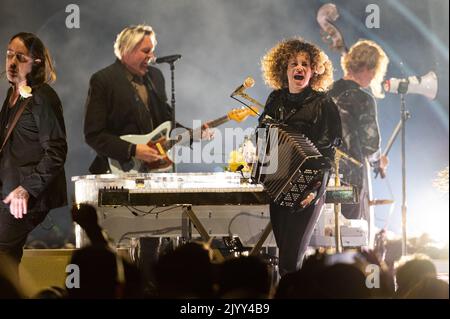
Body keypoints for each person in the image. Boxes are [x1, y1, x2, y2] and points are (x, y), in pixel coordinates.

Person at [258, 38, 342, 276]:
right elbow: (262, 136)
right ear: (284, 70)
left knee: (291, 259)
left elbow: (327, 153)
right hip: (279, 183)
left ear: (314, 70)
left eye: (305, 63)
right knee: (284, 250)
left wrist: (313, 186)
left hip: (309, 186)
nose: (299, 67)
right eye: (293, 63)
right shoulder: (276, 99)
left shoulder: (323, 103)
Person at [84, 24, 212, 174]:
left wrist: (192, 134)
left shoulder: (155, 76)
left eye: (152, 51)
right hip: (117, 170)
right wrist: (133, 150)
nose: (151, 57)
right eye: (145, 51)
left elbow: (166, 119)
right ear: (126, 50)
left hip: (153, 171)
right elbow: (94, 134)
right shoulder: (103, 80)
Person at [0, 32, 67, 270]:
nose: (11, 62)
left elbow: (57, 151)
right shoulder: (12, 95)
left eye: (20, 57)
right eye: (9, 54)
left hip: (26, 194)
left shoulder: (43, 97)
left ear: (36, 61)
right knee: (8, 261)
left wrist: (27, 189)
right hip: (9, 191)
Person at [328, 40, 389, 243]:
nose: (373, 77)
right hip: (350, 179)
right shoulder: (363, 99)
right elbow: (371, 145)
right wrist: (378, 161)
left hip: (323, 177)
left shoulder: (326, 92)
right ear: (366, 68)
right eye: (373, 71)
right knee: (350, 235)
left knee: (325, 234)